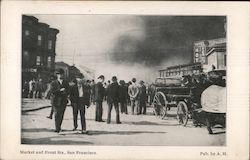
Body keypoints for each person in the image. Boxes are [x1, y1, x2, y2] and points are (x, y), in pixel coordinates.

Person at [50, 68, 69, 133]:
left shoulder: (66, 82)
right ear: (57, 75)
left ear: (63, 75)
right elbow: (52, 91)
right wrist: (60, 90)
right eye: (58, 74)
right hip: (55, 101)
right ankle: (57, 128)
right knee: (56, 114)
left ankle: (59, 126)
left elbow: (68, 91)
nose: (60, 75)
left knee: (61, 114)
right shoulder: (53, 83)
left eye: (61, 74)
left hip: (63, 101)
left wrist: (66, 92)